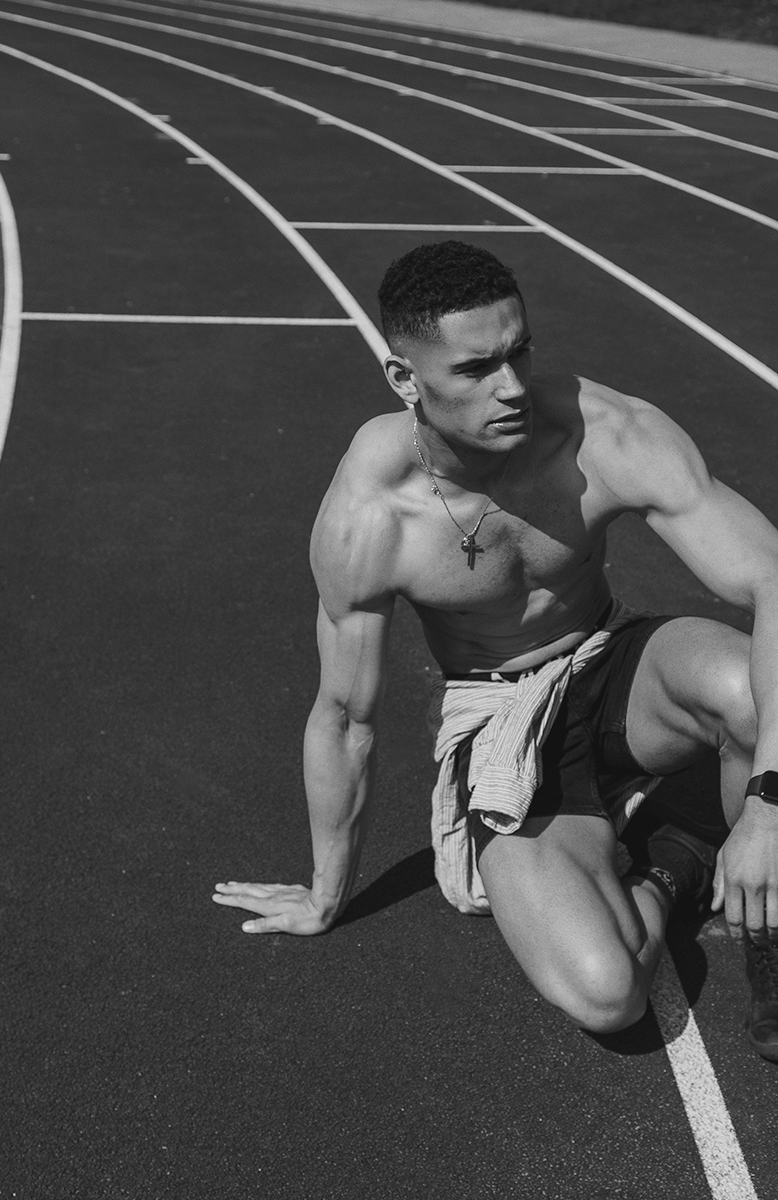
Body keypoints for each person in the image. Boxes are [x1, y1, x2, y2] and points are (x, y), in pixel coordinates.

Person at [213, 241, 778, 1061]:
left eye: (519, 353)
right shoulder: (373, 515)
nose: (510, 387)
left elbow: (771, 578)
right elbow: (344, 717)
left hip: (614, 660)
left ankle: (770, 935)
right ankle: (681, 855)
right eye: (476, 369)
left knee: (751, 691)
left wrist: (769, 804)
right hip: (503, 714)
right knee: (608, 996)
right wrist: (325, 893)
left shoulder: (604, 432)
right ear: (405, 379)